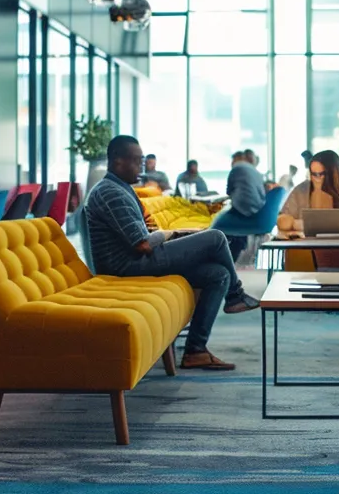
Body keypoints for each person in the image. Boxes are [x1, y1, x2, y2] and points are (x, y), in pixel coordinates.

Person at [85, 136, 258, 370]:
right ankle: (235, 296)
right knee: (215, 238)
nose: (142, 166)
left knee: (218, 274)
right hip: (127, 265)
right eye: (136, 161)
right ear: (117, 162)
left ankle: (195, 351)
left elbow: (146, 232)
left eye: (142, 160)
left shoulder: (121, 189)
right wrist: (170, 235)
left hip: (136, 259)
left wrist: (173, 234)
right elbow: (142, 243)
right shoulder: (110, 192)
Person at [277, 151, 339, 270]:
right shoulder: (302, 189)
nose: (316, 179)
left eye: (321, 174)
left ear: (335, 173)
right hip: (309, 249)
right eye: (313, 174)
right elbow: (282, 220)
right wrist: (294, 223)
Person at [224, 149, 267, 259]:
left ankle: (228, 255)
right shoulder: (257, 172)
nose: (231, 163)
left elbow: (228, 192)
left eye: (233, 160)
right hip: (259, 211)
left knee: (221, 224)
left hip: (244, 212)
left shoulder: (237, 168)